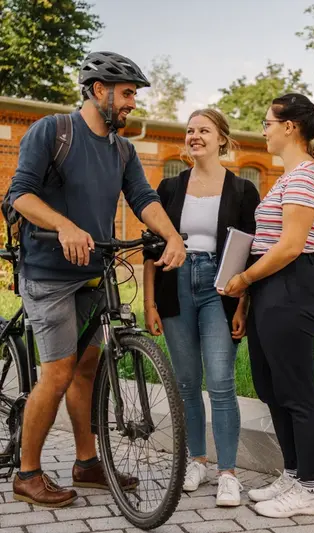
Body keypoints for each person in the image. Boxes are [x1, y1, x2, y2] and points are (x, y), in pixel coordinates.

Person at [6, 51, 186, 508]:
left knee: (87, 369)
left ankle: (87, 464)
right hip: (48, 274)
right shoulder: (54, 131)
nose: (131, 104)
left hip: (94, 273)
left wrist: (171, 236)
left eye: (133, 96)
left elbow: (142, 197)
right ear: (97, 89)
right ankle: (27, 474)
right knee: (60, 371)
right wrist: (63, 225)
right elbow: (20, 194)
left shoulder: (121, 149)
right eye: (126, 94)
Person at [220, 93, 314, 518]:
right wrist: (249, 296)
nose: (263, 130)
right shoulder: (289, 178)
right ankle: (292, 472)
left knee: (296, 392)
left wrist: (245, 278)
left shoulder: (306, 177)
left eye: (268, 122)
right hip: (271, 290)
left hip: (293, 287)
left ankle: (309, 489)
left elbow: (289, 246)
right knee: (271, 388)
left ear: (289, 127)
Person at [143, 109, 260, 507]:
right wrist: (149, 303)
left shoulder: (243, 191)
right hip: (174, 285)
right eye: (190, 131)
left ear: (222, 139)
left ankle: (228, 473)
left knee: (222, 383)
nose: (195, 136)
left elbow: (248, 252)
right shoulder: (170, 188)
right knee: (188, 383)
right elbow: (151, 248)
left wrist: (243, 304)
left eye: (204, 130)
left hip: (220, 288)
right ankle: (196, 460)